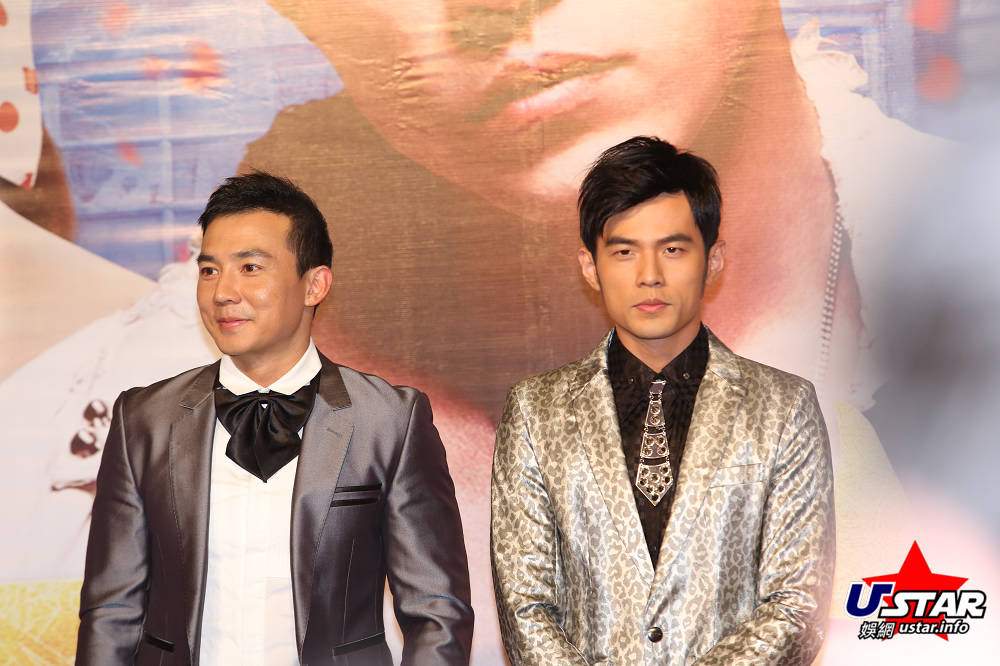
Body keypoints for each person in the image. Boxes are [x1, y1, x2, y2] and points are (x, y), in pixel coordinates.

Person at [75, 172, 474, 665]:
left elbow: (437, 612)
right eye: (209, 270)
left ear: (314, 284)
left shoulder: (388, 420)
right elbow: (111, 611)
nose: (223, 292)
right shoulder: (144, 420)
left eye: (250, 267)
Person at [491, 137, 835, 664]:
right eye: (624, 252)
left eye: (673, 250)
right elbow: (525, 605)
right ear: (590, 266)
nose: (649, 274)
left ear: (713, 260)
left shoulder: (784, 408)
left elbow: (797, 604)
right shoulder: (536, 412)